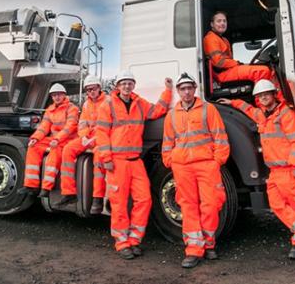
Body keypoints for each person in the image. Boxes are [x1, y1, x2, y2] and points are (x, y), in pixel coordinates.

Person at [218, 79, 295, 260]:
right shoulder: (264, 115)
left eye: (266, 94)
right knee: (276, 205)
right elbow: (249, 110)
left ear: (274, 95)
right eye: (259, 96)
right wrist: (232, 102)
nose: (263, 98)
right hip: (275, 172)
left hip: (289, 170)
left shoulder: (287, 115)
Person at [94, 70, 173, 259]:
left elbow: (157, 110)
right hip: (117, 162)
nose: (127, 86)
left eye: (129, 83)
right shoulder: (109, 104)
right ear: (118, 86)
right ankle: (122, 243)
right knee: (119, 204)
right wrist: (106, 159)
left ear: (133, 85)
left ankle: (135, 240)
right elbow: (102, 133)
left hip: (135, 161)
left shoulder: (140, 103)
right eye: (123, 83)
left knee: (144, 199)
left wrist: (168, 90)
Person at [162, 73, 230, 268]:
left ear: (194, 88)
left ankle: (209, 245)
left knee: (212, 203)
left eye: (189, 88)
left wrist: (217, 161)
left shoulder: (208, 110)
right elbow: (167, 142)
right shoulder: (172, 115)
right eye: (182, 89)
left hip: (206, 164)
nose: (186, 92)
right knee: (187, 206)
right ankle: (193, 249)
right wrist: (170, 161)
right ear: (178, 91)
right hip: (182, 167)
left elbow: (220, 137)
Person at [18, 83, 79, 197]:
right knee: (33, 147)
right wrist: (35, 138)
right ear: (51, 97)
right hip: (55, 139)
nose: (57, 97)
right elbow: (43, 127)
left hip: (68, 140)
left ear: (64, 95)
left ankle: (46, 188)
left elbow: (70, 127)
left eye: (59, 94)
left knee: (54, 151)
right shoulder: (50, 110)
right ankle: (31, 186)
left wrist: (57, 139)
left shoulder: (72, 108)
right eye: (54, 95)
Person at [58, 75, 107, 214]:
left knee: (98, 156)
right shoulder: (86, 104)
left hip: (103, 138)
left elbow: (111, 126)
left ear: (99, 88)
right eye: (88, 89)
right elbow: (82, 124)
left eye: (93, 88)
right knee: (67, 149)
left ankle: (97, 198)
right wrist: (85, 136)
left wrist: (96, 139)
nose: (91, 91)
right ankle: (69, 193)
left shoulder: (108, 102)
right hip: (89, 137)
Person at [203, 10, 274, 85]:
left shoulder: (224, 40)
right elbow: (218, 62)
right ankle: (263, 96)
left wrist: (239, 64)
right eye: (219, 21)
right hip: (222, 74)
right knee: (263, 71)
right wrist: (237, 63)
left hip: (229, 70)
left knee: (264, 68)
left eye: (224, 21)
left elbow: (228, 60)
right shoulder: (210, 38)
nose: (222, 23)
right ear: (212, 24)